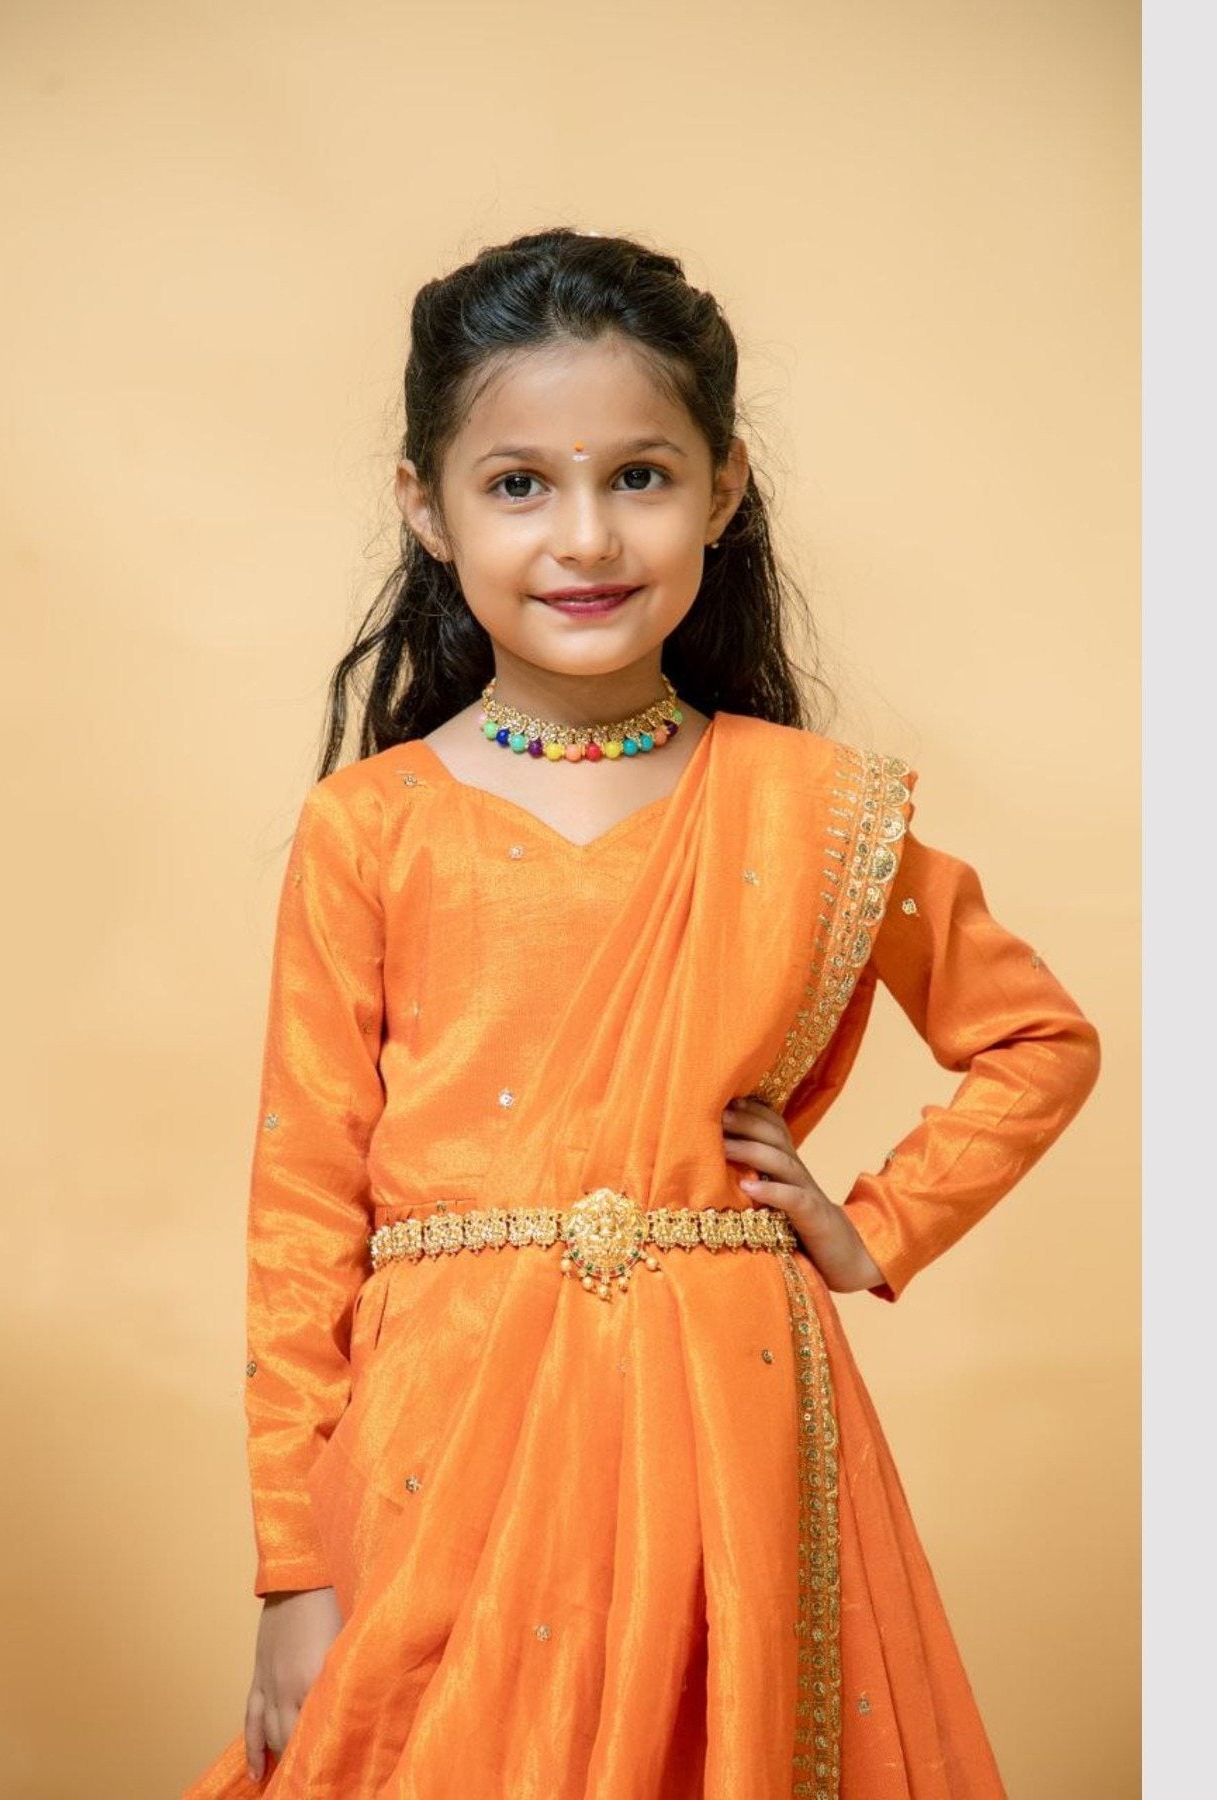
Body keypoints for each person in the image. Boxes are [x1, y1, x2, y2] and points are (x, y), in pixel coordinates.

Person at [181, 228, 1101, 1800]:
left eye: (641, 476)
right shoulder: (371, 826)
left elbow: (1038, 1040)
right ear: (427, 506)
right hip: (439, 1430)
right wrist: (290, 1567)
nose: (585, 536)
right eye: (519, 483)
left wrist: (871, 1221)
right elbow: (300, 1212)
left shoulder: (812, 813)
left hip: (728, 1427)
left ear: (723, 491)